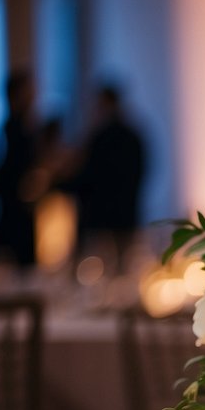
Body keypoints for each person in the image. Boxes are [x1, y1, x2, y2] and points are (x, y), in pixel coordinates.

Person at [64, 83, 146, 271]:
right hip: (125, 212)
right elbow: (142, 171)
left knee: (102, 269)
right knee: (123, 267)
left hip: (101, 216)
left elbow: (88, 176)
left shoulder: (100, 138)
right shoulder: (132, 135)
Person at [0, 69, 39, 267]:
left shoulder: (23, 128)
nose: (34, 95)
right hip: (13, 215)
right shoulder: (11, 131)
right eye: (29, 90)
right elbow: (1, 174)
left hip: (21, 212)